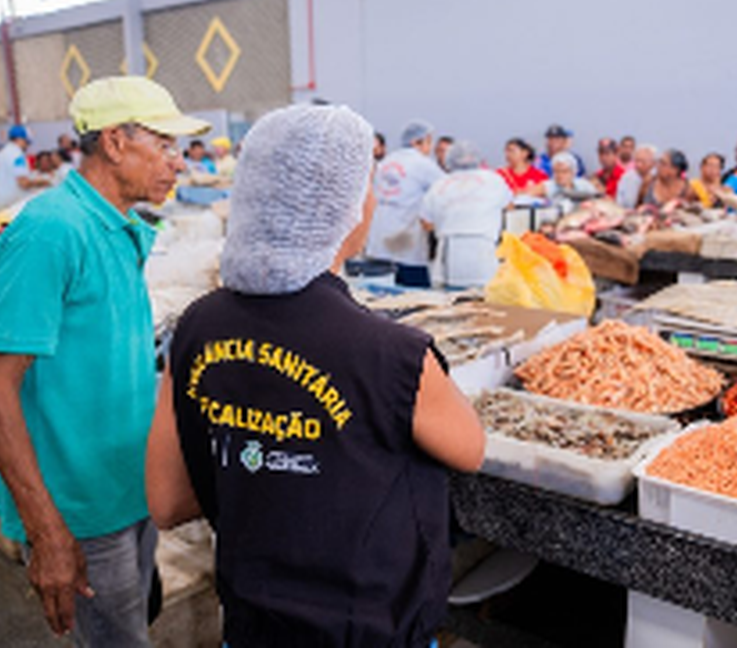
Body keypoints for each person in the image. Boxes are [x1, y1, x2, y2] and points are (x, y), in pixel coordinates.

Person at [145, 103, 485, 646]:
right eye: (366, 186)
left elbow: (166, 501)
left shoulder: (193, 329)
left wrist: (259, 466)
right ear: (346, 210)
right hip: (367, 629)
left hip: (253, 626)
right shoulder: (393, 352)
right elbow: (470, 449)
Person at [0, 75, 208, 645]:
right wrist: (47, 530)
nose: (178, 164)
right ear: (115, 142)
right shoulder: (51, 231)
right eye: (165, 145)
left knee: (134, 621)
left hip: (126, 487)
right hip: (79, 507)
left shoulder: (119, 227)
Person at [421, 141, 513, 288]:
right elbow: (509, 207)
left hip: (450, 253)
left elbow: (426, 223)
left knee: (450, 304)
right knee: (487, 304)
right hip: (484, 250)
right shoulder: (493, 180)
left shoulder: (440, 184)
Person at [366, 119, 445, 287]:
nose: (429, 148)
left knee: (383, 298)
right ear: (417, 142)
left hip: (379, 242)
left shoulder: (385, 162)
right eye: (429, 142)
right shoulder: (423, 164)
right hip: (406, 244)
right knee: (417, 298)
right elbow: (446, 189)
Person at [0, 125, 50, 213]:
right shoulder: (18, 155)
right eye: (27, 142)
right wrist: (43, 182)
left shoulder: (0, 154)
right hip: (13, 203)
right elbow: (23, 182)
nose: (27, 146)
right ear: (19, 139)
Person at [616, 144, 657, 209]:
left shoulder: (657, 178)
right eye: (637, 161)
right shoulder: (627, 178)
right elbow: (619, 202)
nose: (638, 165)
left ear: (653, 163)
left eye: (642, 162)